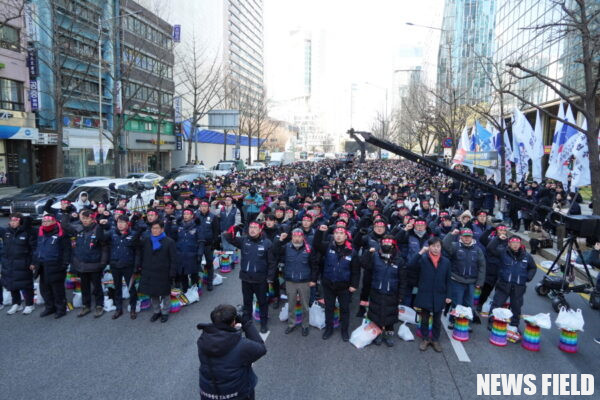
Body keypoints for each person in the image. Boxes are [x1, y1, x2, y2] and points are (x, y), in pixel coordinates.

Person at [197, 304, 267, 400]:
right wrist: (247, 323)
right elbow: (261, 349)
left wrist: (232, 328)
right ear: (233, 322)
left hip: (208, 394)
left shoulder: (203, 340)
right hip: (237, 394)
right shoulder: (241, 345)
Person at [222, 221, 276, 333]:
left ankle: (263, 322)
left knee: (262, 302)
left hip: (260, 279)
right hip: (246, 278)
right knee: (247, 302)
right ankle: (247, 323)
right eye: (251, 227)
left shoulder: (267, 243)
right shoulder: (244, 240)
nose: (252, 230)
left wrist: (270, 278)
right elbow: (228, 237)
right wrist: (235, 228)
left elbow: (272, 263)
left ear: (260, 230)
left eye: (255, 228)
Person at [314, 225, 360, 342]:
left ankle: (344, 331)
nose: (338, 236)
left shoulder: (351, 251)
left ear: (346, 236)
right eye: (336, 233)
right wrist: (320, 232)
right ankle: (329, 329)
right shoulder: (328, 247)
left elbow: (356, 270)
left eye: (341, 234)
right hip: (329, 284)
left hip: (344, 286)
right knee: (329, 308)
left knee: (344, 309)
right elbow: (316, 244)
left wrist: (354, 285)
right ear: (333, 235)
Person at [362, 235, 407, 347]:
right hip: (376, 290)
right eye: (384, 243)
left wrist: (401, 295)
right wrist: (368, 253)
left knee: (390, 314)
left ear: (393, 245)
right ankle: (377, 333)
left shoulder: (399, 260)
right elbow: (364, 265)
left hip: (392, 292)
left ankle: (388, 334)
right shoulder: (375, 256)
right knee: (376, 313)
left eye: (389, 243)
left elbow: (403, 280)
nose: (386, 245)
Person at [272, 229, 318, 336]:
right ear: (292, 237)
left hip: (304, 282)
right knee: (291, 305)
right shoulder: (286, 247)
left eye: (299, 236)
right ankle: (291, 324)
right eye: (294, 236)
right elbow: (275, 251)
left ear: (303, 237)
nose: (297, 238)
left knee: (305, 306)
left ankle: (305, 325)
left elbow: (314, 266)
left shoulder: (309, 249)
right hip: (290, 281)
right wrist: (280, 240)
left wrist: (313, 280)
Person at [409, 237, 452, 352]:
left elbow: (449, 279)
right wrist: (420, 252)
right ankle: (425, 339)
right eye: (433, 246)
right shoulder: (423, 259)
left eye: (438, 246)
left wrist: (449, 295)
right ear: (429, 247)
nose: (436, 249)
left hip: (440, 294)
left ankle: (435, 339)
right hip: (425, 293)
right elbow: (410, 265)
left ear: (441, 247)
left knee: (437, 320)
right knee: (424, 318)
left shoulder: (446, 261)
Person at [63, 209, 108, 318]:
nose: (85, 220)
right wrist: (67, 214)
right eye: (83, 218)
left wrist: (103, 262)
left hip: (95, 264)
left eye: (87, 218)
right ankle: (86, 305)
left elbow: (104, 246)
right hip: (81, 264)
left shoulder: (98, 229)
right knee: (84, 287)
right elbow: (64, 226)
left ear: (92, 219)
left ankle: (99, 306)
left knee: (97, 287)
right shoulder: (78, 229)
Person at [487, 235, 537, 332]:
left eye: (517, 243)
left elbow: (533, 268)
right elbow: (490, 248)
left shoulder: (527, 256)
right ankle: (492, 321)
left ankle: (514, 324)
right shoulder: (503, 252)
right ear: (509, 244)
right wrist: (498, 238)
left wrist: (528, 277)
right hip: (503, 284)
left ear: (520, 244)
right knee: (497, 303)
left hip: (519, 287)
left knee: (516, 307)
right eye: (513, 243)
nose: (515, 245)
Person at [442, 228, 486, 329]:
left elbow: (482, 266)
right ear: (461, 237)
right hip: (457, 280)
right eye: (465, 236)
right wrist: (451, 234)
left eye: (469, 236)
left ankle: (465, 322)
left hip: (471, 281)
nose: (467, 238)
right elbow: (444, 245)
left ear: (472, 237)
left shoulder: (477, 249)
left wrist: (480, 282)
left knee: (468, 303)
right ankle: (453, 321)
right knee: (457, 302)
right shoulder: (455, 246)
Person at [138, 220, 177, 323]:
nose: (154, 230)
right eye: (152, 228)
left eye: (156, 228)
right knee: (153, 293)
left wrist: (172, 272)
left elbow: (174, 259)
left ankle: (165, 312)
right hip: (149, 270)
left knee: (165, 293)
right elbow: (139, 251)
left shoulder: (169, 242)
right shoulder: (146, 240)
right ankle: (156, 311)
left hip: (163, 271)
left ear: (162, 229)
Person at [33, 214, 70, 318]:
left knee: (57, 290)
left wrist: (65, 264)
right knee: (45, 289)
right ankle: (50, 307)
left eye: (48, 221)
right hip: (42, 266)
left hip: (56, 265)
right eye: (43, 222)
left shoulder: (61, 233)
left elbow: (67, 250)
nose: (45, 223)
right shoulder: (40, 232)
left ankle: (61, 309)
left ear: (54, 222)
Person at [0, 213, 37, 315]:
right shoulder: (6, 232)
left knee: (26, 284)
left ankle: (30, 304)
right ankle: (16, 304)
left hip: (24, 262)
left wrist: (33, 262)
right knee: (12, 284)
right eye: (11, 220)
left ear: (20, 221)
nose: (13, 222)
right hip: (9, 263)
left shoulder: (27, 232)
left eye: (15, 220)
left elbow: (34, 248)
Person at [104, 215, 139, 319]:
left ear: (127, 223)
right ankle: (118, 308)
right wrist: (102, 226)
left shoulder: (133, 234)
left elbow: (137, 251)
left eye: (123, 222)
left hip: (128, 265)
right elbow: (101, 237)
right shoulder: (112, 233)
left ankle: (133, 308)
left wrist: (136, 265)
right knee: (117, 287)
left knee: (131, 288)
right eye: (119, 222)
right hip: (115, 265)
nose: (120, 224)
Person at [196, 200, 220, 291]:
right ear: (200, 207)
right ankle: (198, 282)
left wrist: (214, 243)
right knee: (197, 263)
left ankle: (210, 282)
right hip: (198, 244)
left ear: (208, 207)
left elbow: (216, 231)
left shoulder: (213, 217)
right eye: (202, 206)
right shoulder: (196, 216)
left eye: (205, 206)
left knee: (209, 263)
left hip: (208, 244)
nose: (203, 208)